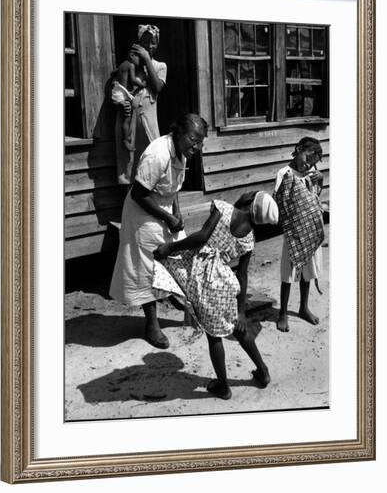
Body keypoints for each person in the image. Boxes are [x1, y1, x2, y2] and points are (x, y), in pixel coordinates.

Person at [152, 191, 279, 400]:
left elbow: (201, 237)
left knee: (213, 336)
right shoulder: (249, 239)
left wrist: (170, 247)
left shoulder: (224, 209)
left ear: (250, 201)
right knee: (238, 328)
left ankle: (223, 385)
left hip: (203, 278)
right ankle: (263, 371)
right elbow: (242, 274)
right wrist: (241, 311)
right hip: (226, 284)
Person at [109, 113, 208, 349]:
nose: (198, 146)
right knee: (147, 268)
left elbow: (173, 188)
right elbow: (138, 194)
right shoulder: (158, 154)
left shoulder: (182, 152)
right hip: (142, 214)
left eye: (201, 141)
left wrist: (177, 212)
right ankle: (151, 325)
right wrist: (167, 217)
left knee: (179, 256)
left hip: (164, 209)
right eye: (194, 140)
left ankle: (182, 302)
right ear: (179, 134)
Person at [273, 137, 324, 333]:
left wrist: (321, 179)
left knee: (308, 271)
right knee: (289, 271)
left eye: (313, 162)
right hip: (294, 232)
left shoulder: (311, 173)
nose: (308, 164)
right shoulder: (284, 173)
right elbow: (280, 200)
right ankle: (283, 313)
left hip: (310, 230)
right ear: (298, 149)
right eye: (307, 158)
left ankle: (303, 307)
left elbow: (315, 196)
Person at [114, 24, 167, 185]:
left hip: (148, 119)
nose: (148, 46)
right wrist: (121, 104)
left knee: (155, 156)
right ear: (137, 44)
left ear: (157, 45)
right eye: (144, 43)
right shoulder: (129, 65)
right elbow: (117, 88)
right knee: (128, 160)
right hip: (129, 119)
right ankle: (129, 201)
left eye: (152, 42)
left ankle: (160, 200)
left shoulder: (159, 66)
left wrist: (146, 59)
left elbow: (157, 87)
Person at [111, 47, 147, 151]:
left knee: (125, 117)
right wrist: (142, 84)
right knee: (126, 119)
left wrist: (116, 80)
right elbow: (133, 80)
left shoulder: (122, 64)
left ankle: (128, 136)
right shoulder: (131, 65)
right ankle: (126, 140)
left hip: (117, 91)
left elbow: (113, 73)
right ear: (132, 56)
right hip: (122, 94)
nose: (139, 62)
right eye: (139, 59)